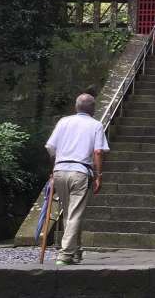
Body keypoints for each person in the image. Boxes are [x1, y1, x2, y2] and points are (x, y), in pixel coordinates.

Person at [45, 94, 109, 265]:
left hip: (60, 170)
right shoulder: (96, 125)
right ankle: (65, 254)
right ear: (93, 109)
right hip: (80, 172)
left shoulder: (63, 122)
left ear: (76, 107)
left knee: (69, 214)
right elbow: (98, 152)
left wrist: (53, 170)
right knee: (74, 214)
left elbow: (50, 147)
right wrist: (99, 176)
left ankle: (75, 251)